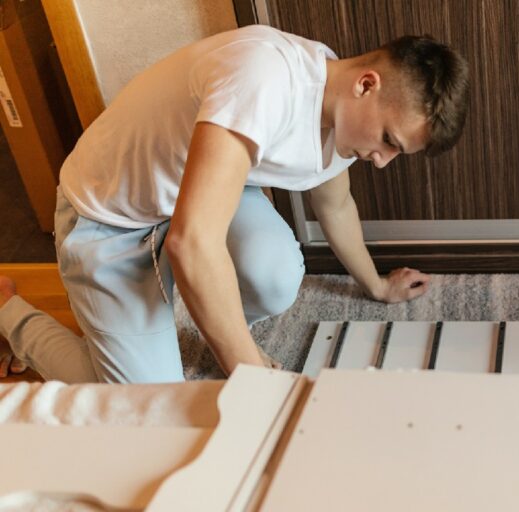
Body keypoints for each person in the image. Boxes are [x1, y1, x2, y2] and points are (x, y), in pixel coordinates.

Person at [0, 24, 469, 383]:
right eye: (388, 140)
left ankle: (192, 315)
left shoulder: (341, 119)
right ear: (367, 84)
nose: (383, 161)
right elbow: (192, 243)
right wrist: (248, 374)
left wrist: (377, 286)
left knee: (277, 275)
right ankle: (9, 313)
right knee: (146, 407)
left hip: (189, 196)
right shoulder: (263, 78)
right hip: (110, 220)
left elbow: (337, 205)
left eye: (395, 152)